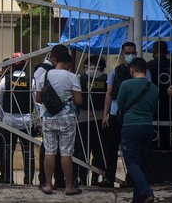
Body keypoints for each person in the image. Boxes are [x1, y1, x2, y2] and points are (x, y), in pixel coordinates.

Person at [100, 42, 151, 188]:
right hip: (116, 115)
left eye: (132, 53)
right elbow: (109, 94)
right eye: (127, 53)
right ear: (122, 54)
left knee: (133, 149)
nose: (130, 55)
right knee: (112, 148)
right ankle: (109, 177)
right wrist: (106, 114)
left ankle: (131, 178)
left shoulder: (145, 73)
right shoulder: (115, 71)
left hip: (133, 116)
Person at [36, 44, 83, 195]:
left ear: (55, 60)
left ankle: (48, 185)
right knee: (66, 153)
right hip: (67, 119)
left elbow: (38, 98)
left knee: (49, 151)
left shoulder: (44, 76)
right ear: (68, 63)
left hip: (49, 118)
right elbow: (79, 101)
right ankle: (69, 187)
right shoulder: (72, 77)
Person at [118, 57, 158, 203]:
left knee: (131, 161)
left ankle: (147, 192)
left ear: (132, 69)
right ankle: (138, 198)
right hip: (147, 127)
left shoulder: (126, 84)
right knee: (142, 162)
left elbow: (121, 106)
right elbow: (153, 108)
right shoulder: (154, 88)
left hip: (130, 126)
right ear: (146, 71)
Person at [0, 52, 35, 184]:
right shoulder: (31, 80)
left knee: (8, 151)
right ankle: (28, 181)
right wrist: (37, 120)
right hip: (27, 121)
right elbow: (36, 102)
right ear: (25, 65)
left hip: (9, 121)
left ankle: (8, 179)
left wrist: (2, 117)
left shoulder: (6, 80)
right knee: (28, 152)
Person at [74, 56, 107, 186]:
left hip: (83, 119)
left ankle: (82, 178)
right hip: (101, 120)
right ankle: (95, 178)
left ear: (86, 65)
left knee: (82, 150)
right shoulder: (106, 79)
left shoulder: (79, 78)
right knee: (99, 151)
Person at [34, 51, 65, 189]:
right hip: (47, 112)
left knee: (56, 149)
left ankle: (57, 179)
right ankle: (45, 180)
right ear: (51, 57)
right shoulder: (42, 69)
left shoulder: (52, 70)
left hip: (54, 112)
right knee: (48, 149)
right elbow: (37, 94)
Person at [147, 41, 172, 150]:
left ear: (153, 51)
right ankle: (168, 158)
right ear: (166, 51)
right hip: (169, 103)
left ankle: (154, 159)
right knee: (168, 135)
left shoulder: (149, 65)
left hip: (153, 104)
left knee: (153, 135)